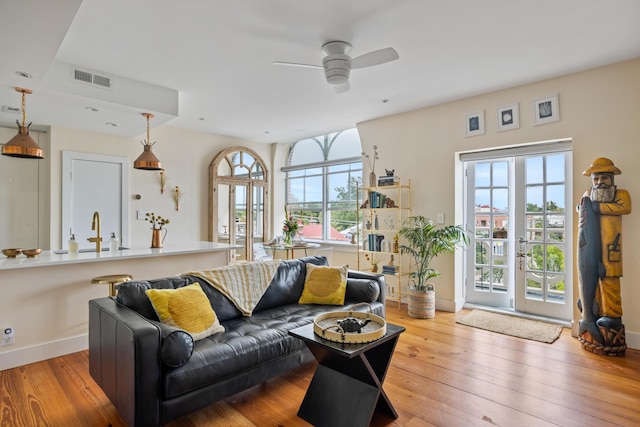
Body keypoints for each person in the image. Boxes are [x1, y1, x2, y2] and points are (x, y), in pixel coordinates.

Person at [581, 158, 631, 329]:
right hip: (591, 247)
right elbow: (581, 208)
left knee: (609, 279)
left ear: (612, 179)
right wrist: (585, 208)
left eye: (604, 178)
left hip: (612, 246)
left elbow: (625, 208)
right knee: (591, 280)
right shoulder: (588, 194)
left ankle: (612, 314)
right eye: (596, 179)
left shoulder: (621, 195)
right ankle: (594, 310)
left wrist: (599, 208)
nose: (600, 182)